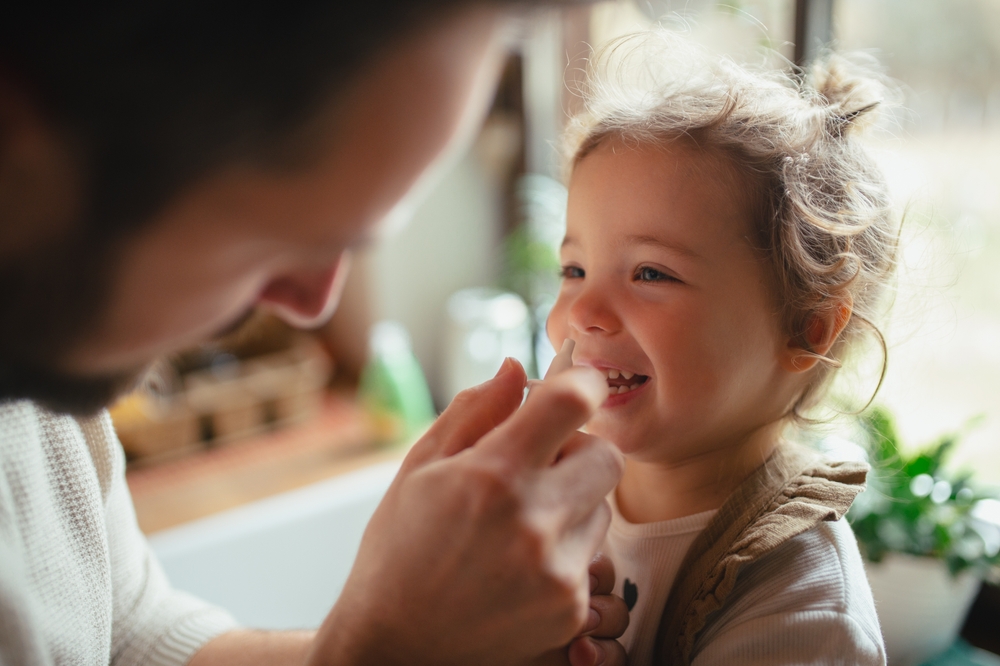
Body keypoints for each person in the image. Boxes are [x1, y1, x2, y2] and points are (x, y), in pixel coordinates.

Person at [0, 2, 632, 665]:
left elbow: (127, 631)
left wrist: (431, 633)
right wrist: (384, 651)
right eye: (271, 243)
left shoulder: (42, 360)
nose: (312, 304)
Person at [545, 31, 899, 665]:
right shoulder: (558, 490)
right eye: (574, 270)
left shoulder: (802, 609)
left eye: (651, 273)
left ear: (807, 329)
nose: (583, 315)